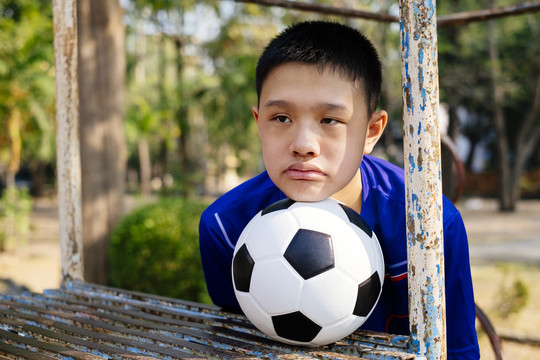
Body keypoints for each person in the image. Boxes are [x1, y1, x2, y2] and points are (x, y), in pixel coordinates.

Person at [199, 20, 479, 359]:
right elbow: (238, 344)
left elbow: (457, 351)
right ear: (259, 123)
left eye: (329, 120)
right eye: (281, 119)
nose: (304, 145)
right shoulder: (225, 227)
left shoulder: (429, 226)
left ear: (372, 131)